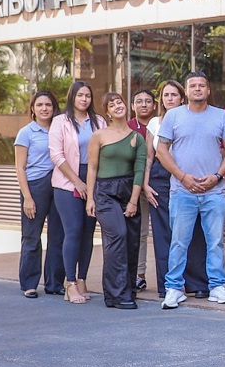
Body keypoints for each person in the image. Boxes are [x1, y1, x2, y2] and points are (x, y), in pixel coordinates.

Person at [156, 72, 225, 309]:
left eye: (202, 85)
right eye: (193, 86)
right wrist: (182, 177)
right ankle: (173, 289)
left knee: (215, 242)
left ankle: (217, 287)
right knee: (179, 242)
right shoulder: (173, 115)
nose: (198, 89)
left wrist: (217, 176)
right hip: (182, 190)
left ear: (208, 90)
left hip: (214, 191)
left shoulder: (221, 116)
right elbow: (162, 151)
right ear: (186, 91)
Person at [143, 80, 210, 300]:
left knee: (194, 231)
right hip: (161, 178)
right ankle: (167, 285)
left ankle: (197, 282)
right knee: (164, 234)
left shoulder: (194, 118)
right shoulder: (154, 123)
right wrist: (145, 184)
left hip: (191, 174)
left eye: (174, 94)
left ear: (182, 97)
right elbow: (149, 158)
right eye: (165, 95)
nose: (169, 98)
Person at [85, 93, 146, 310]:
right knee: (117, 235)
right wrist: (90, 198)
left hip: (129, 190)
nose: (117, 106)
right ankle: (115, 294)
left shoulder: (137, 138)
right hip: (105, 192)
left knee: (131, 240)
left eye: (120, 102)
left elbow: (140, 170)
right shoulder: (99, 136)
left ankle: (128, 290)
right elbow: (92, 167)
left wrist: (133, 201)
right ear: (107, 112)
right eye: (112, 104)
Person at [49, 81, 106, 304]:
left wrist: (90, 184)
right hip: (67, 182)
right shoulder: (59, 121)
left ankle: (82, 279)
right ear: (72, 96)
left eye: (88, 96)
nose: (84, 99)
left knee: (88, 233)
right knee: (73, 231)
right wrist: (77, 182)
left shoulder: (98, 121)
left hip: (93, 179)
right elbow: (56, 155)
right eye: (80, 95)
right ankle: (69, 283)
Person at [14, 91, 64, 298]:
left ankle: (54, 283)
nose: (44, 108)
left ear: (54, 108)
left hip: (59, 183)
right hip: (35, 185)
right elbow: (19, 167)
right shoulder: (26, 132)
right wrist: (27, 196)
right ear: (32, 109)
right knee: (32, 236)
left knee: (58, 236)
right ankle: (29, 283)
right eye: (40, 105)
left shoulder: (60, 129)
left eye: (49, 105)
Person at [128, 89, 156, 292]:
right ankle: (139, 275)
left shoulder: (161, 123)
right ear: (132, 106)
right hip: (135, 186)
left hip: (161, 184)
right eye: (139, 101)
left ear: (154, 105)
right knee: (140, 232)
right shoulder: (127, 127)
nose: (144, 104)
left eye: (148, 101)